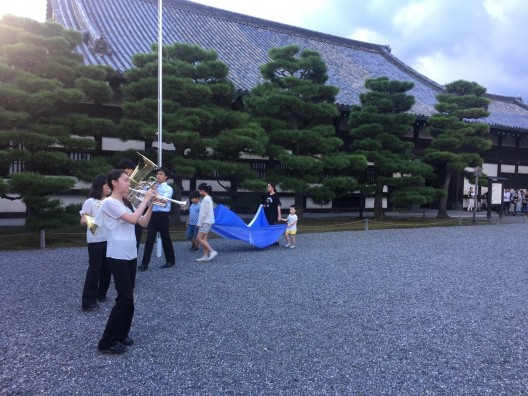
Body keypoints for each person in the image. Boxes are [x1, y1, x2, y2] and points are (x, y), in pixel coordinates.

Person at [95, 169, 155, 354]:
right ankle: (106, 341)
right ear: (114, 182)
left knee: (129, 297)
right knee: (124, 298)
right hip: (117, 254)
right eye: (126, 180)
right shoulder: (109, 203)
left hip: (130, 253)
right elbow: (131, 219)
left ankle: (122, 333)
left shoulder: (126, 203)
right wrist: (145, 199)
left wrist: (151, 205)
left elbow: (142, 223)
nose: (129, 183)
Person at [79, 174, 111, 311]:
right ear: (100, 186)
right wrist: (97, 218)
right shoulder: (90, 202)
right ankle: (88, 300)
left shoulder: (111, 201)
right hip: (95, 239)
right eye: (106, 185)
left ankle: (102, 293)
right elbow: (82, 221)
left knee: (108, 268)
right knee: (95, 268)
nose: (109, 187)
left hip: (109, 238)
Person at [139, 167, 176, 270]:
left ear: (166, 176)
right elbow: (142, 193)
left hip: (163, 216)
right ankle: (144, 264)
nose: (157, 176)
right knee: (149, 239)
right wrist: (145, 186)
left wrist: (155, 192)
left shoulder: (168, 189)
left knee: (165, 238)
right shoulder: (153, 186)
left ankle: (170, 260)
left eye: (160, 174)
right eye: (157, 174)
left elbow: (163, 202)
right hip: (152, 214)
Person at [117, 159, 143, 251]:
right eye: (124, 169)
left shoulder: (140, 183)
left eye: (129, 169)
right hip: (123, 215)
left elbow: (142, 201)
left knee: (135, 244)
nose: (127, 171)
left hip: (137, 215)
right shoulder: (116, 183)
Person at [196, 183, 218, 262]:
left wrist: (199, 223)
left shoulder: (206, 199)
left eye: (199, 190)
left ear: (202, 190)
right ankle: (205, 256)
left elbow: (203, 214)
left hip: (205, 221)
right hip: (208, 221)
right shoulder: (209, 198)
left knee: (199, 238)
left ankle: (212, 251)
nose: (199, 192)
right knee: (204, 238)